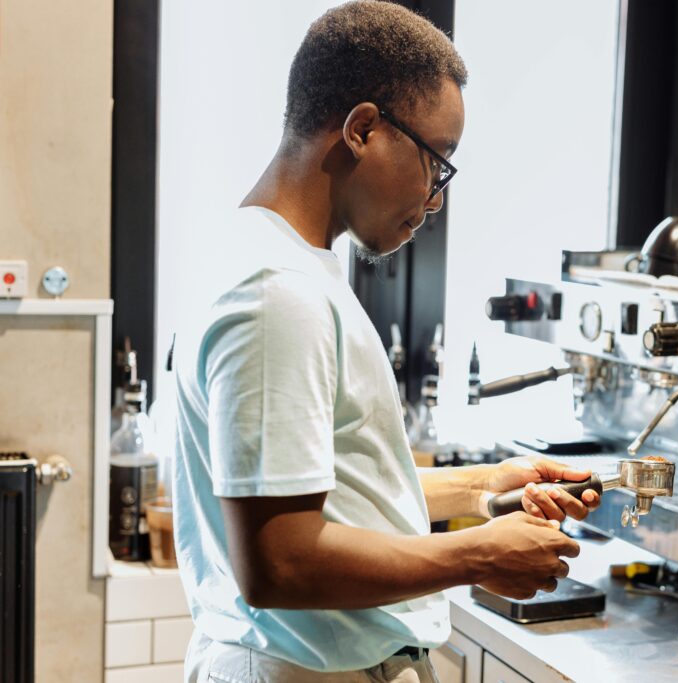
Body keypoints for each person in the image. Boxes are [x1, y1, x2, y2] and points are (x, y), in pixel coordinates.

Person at [172, 3, 602, 681]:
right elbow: (281, 560)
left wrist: (484, 485)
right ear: (363, 129)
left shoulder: (282, 264)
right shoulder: (274, 292)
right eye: (438, 161)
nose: (435, 199)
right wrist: (478, 555)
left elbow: (327, 487)